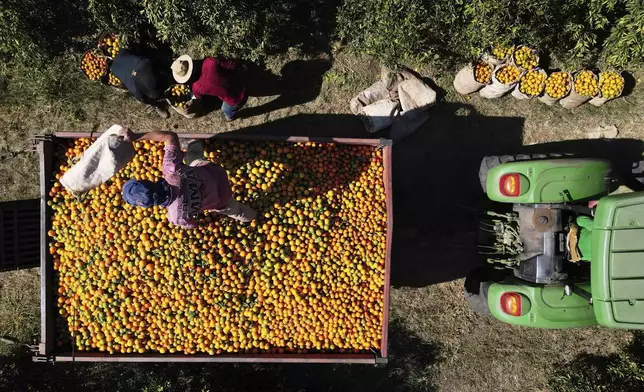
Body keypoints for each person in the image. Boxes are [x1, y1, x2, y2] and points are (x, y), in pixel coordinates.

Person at [119, 129, 256, 228]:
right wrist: (135, 136)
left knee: (237, 211)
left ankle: (252, 216)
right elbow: (170, 136)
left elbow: (193, 224)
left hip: (221, 199)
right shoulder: (170, 168)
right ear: (147, 181)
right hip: (215, 173)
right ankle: (195, 143)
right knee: (192, 158)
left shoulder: (176, 216)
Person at [171, 55, 247, 120]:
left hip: (236, 98)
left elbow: (198, 97)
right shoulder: (210, 62)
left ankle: (229, 117)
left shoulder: (196, 87)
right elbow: (232, 65)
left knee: (226, 109)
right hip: (240, 80)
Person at [111, 50, 170, 119]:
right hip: (121, 64)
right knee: (149, 99)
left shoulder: (147, 63)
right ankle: (157, 105)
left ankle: (167, 75)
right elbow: (143, 99)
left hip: (133, 60)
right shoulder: (136, 90)